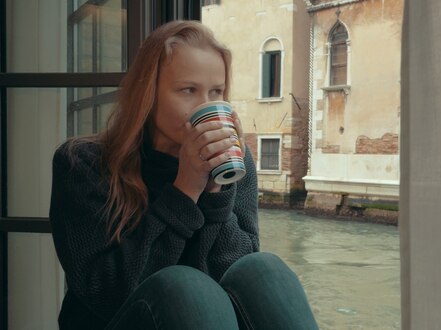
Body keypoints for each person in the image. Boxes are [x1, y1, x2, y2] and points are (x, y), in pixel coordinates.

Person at [49, 20, 318, 329]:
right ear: (147, 95)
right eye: (188, 90)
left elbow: (233, 277)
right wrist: (186, 189)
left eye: (216, 91)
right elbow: (106, 294)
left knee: (263, 269)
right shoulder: (82, 163)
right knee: (186, 287)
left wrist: (215, 191)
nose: (206, 106)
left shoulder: (235, 158)